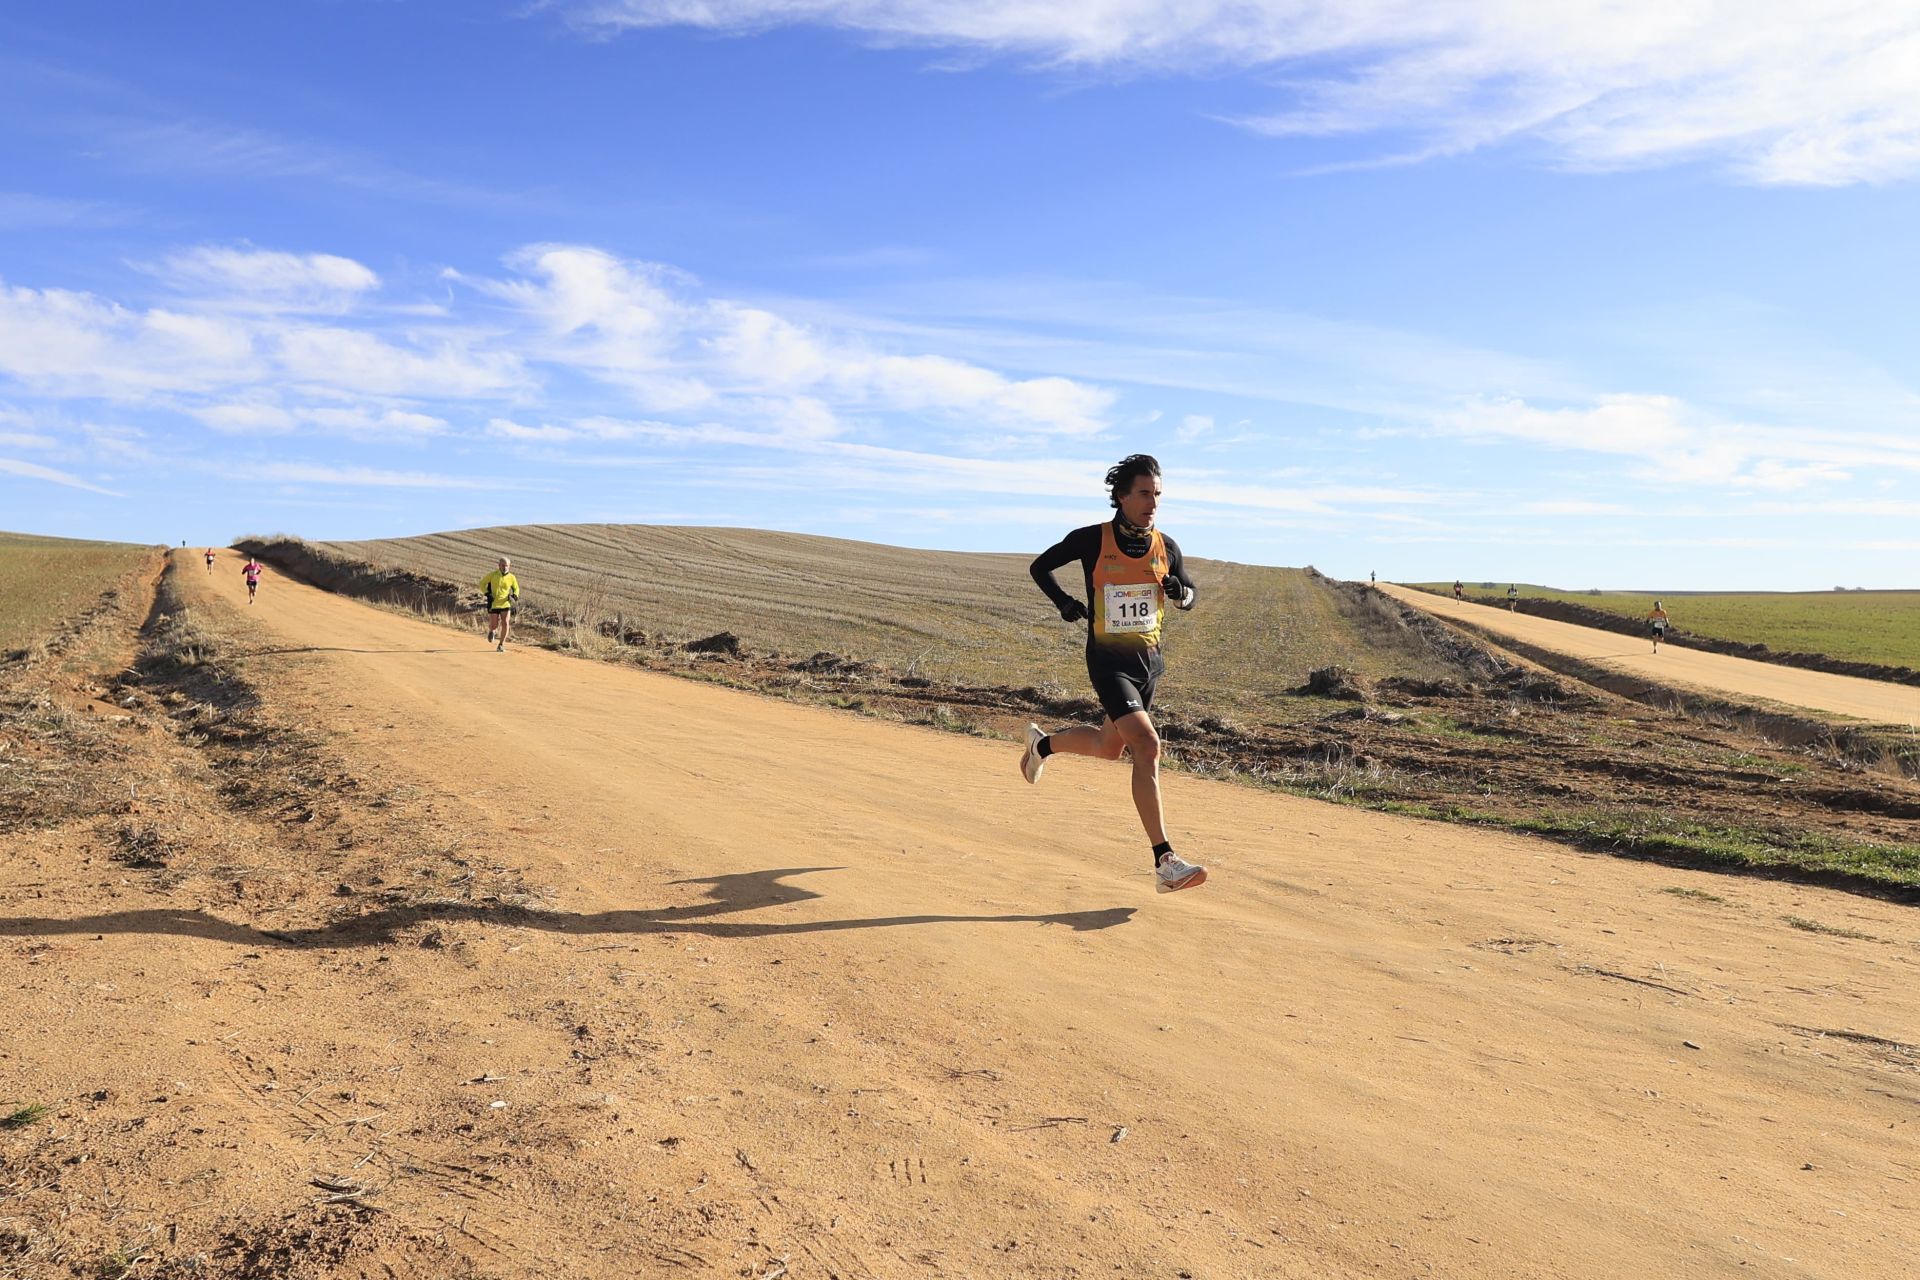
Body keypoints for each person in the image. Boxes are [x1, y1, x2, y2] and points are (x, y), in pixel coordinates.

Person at [1019, 454, 1205, 894]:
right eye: (1143, 493)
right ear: (1121, 497)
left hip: (1149, 665)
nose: (1152, 503)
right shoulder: (1091, 539)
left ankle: (1042, 745)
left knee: (1109, 747)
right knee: (1147, 744)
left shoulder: (1167, 546)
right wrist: (1064, 603)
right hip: (1107, 661)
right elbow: (1039, 567)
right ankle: (1165, 861)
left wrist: (1182, 595)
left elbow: (1192, 593)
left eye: (1157, 494)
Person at [479, 556, 521, 652]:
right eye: (503, 565)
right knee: (494, 625)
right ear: (499, 566)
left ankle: (501, 644)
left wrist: (515, 595)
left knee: (505, 623)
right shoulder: (492, 575)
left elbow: (516, 588)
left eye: (506, 566)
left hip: (506, 603)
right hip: (494, 603)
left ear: (509, 566)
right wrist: (487, 593)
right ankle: (492, 631)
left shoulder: (512, 577)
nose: (505, 567)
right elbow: (481, 583)